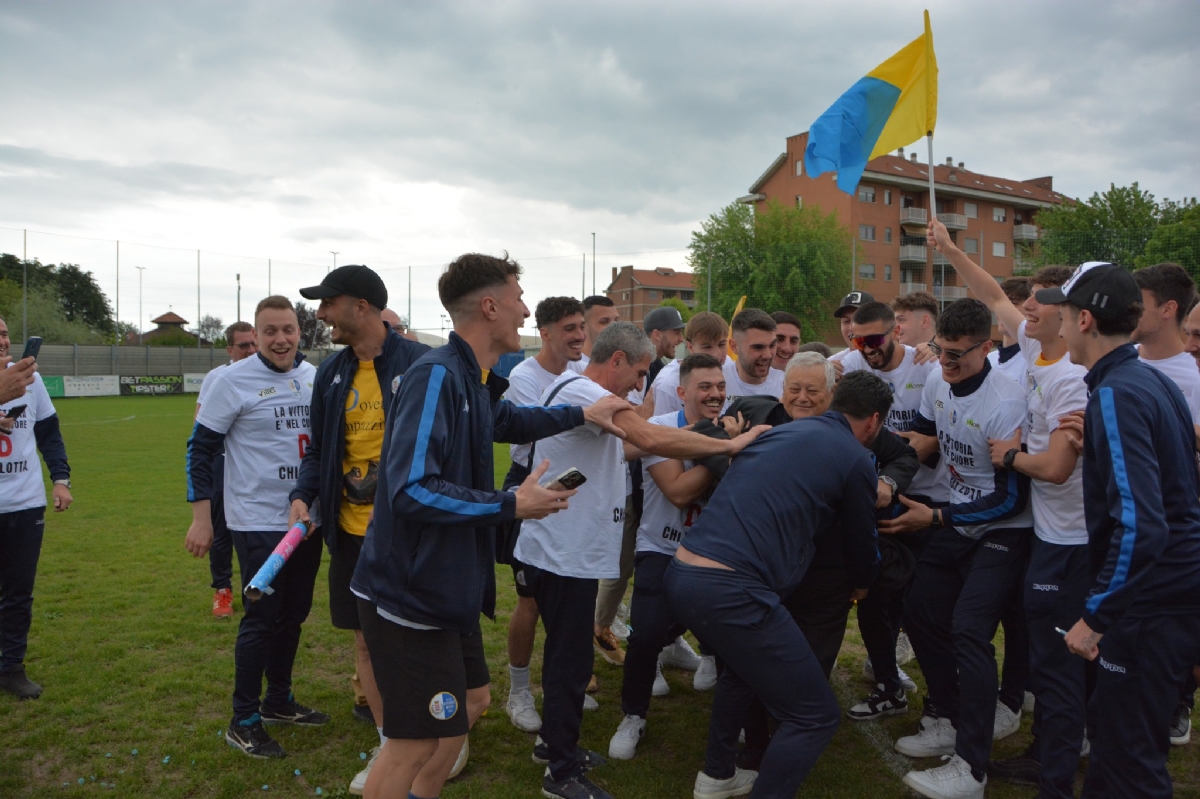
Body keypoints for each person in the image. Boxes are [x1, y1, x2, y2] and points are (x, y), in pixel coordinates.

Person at [349, 253, 631, 799]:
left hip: (446, 588)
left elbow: (507, 421)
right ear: (489, 305)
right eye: (518, 296)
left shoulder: (474, 379)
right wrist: (509, 506)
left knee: (470, 705)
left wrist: (580, 414)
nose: (526, 308)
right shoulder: (437, 376)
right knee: (412, 742)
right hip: (409, 594)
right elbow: (410, 488)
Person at [514, 321, 765, 799]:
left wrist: (692, 431)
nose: (641, 385)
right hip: (565, 552)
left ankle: (553, 744)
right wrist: (728, 445)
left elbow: (626, 444)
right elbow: (648, 441)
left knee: (567, 656)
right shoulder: (593, 393)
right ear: (617, 362)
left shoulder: (576, 392)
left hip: (562, 548)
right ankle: (560, 773)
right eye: (640, 373)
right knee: (569, 660)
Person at [666, 370, 889, 799]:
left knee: (741, 674)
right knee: (815, 716)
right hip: (731, 587)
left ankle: (717, 776)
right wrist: (862, 584)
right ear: (874, 421)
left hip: (683, 572)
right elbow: (862, 541)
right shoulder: (856, 457)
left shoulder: (781, 432)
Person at [928, 220, 1090, 797]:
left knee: (1049, 655)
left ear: (1068, 318)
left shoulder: (1074, 375)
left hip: (1056, 532)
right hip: (1038, 529)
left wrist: (1014, 456)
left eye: (1037, 306)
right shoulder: (1031, 347)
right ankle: (1031, 743)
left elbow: (1054, 469)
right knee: (1030, 646)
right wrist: (950, 251)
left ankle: (1039, 761)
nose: (1022, 310)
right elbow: (991, 293)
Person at [1038, 262, 1200, 799]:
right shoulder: (1145, 379)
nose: (1055, 326)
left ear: (1084, 320)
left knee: (1131, 760)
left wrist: (1097, 615)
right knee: (1114, 745)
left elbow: (1143, 525)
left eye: (1061, 314)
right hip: (1164, 597)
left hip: (1151, 604)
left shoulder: (1118, 393)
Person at [881, 298, 1034, 799]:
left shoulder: (1006, 400)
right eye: (940, 352)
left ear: (986, 348)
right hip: (954, 517)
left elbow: (1010, 498)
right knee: (922, 612)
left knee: (970, 629)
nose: (945, 364)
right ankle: (945, 714)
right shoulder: (935, 378)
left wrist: (939, 516)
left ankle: (972, 768)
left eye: (957, 356)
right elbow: (922, 438)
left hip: (1002, 528)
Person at [287, 265, 431, 794]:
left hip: (408, 536)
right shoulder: (329, 373)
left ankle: (439, 738)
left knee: (419, 641)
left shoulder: (420, 364)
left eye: (328, 302)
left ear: (362, 307)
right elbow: (320, 450)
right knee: (368, 645)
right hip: (349, 536)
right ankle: (390, 740)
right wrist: (303, 495)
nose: (321, 313)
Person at [739, 361, 919, 770]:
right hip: (771, 561)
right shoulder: (759, 416)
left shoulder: (860, 429)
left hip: (827, 568)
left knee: (809, 658)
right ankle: (757, 737)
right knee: (756, 651)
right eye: (794, 388)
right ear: (781, 389)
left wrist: (886, 483)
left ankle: (786, 735)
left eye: (813, 391)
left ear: (832, 395)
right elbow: (712, 446)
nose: (802, 398)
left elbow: (904, 456)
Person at [185, 296, 327, 759]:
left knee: (294, 614)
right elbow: (200, 451)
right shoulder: (230, 381)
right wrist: (202, 519)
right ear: (257, 336)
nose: (280, 339)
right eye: (270, 332)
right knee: (261, 619)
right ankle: (242, 719)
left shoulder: (315, 377)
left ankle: (278, 700)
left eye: (288, 329)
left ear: (299, 331)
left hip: (307, 521)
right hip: (258, 521)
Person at [607, 353, 727, 761]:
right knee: (644, 636)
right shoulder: (659, 428)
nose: (715, 395)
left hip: (712, 551)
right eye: (705, 388)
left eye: (720, 387)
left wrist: (725, 440)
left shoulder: (730, 426)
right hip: (661, 544)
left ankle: (736, 715)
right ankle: (634, 715)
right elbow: (676, 491)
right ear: (681, 393)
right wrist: (724, 451)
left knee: (736, 633)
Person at [838, 301, 942, 717]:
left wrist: (893, 445)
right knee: (875, 597)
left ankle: (940, 700)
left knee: (920, 603)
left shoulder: (926, 368)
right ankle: (887, 682)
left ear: (896, 332)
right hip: (874, 499)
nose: (866, 348)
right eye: (858, 340)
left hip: (925, 497)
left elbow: (932, 440)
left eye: (874, 340)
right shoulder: (848, 362)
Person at [500, 296, 587, 734]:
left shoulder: (580, 369)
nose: (578, 336)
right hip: (530, 482)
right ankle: (518, 691)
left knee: (565, 591)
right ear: (545, 333)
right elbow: (535, 432)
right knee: (530, 598)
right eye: (569, 328)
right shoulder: (523, 376)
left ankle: (561, 686)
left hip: (569, 479)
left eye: (581, 326)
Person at [0, 315, 72, 700]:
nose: (2, 340)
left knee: (18, 593)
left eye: (4, 333)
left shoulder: (32, 380)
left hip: (25, 503)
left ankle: (11, 667)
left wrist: (61, 479)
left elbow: (48, 433)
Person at [195, 321, 258, 619]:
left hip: (257, 466)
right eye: (243, 345)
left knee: (259, 531)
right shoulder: (217, 378)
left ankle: (259, 588)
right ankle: (222, 590)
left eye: (253, 343)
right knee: (222, 531)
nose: (250, 350)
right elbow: (200, 424)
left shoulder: (268, 374)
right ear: (230, 349)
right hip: (223, 463)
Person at [1132, 262, 1200, 422]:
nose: (1128, 313)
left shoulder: (1195, 372)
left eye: (1138, 306)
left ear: (1168, 309)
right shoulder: (1117, 362)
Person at [650, 311, 729, 417]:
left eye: (722, 345)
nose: (717, 354)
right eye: (707, 347)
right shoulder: (669, 383)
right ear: (690, 347)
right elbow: (662, 430)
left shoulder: (729, 366)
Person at [723, 309, 783, 406]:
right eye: (758, 347)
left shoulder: (786, 385)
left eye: (772, 345)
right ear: (734, 346)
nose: (767, 355)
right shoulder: (717, 382)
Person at [986, 279, 1032, 383]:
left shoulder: (1032, 362)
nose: (1004, 311)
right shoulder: (987, 361)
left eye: (1013, 304)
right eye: (1001, 305)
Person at [569, 295, 620, 374]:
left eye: (616, 321)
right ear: (583, 326)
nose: (614, 327)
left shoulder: (624, 366)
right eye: (604, 322)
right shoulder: (570, 369)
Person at [829, 290, 873, 366]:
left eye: (859, 319)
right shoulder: (833, 364)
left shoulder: (893, 361)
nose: (851, 328)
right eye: (846, 321)